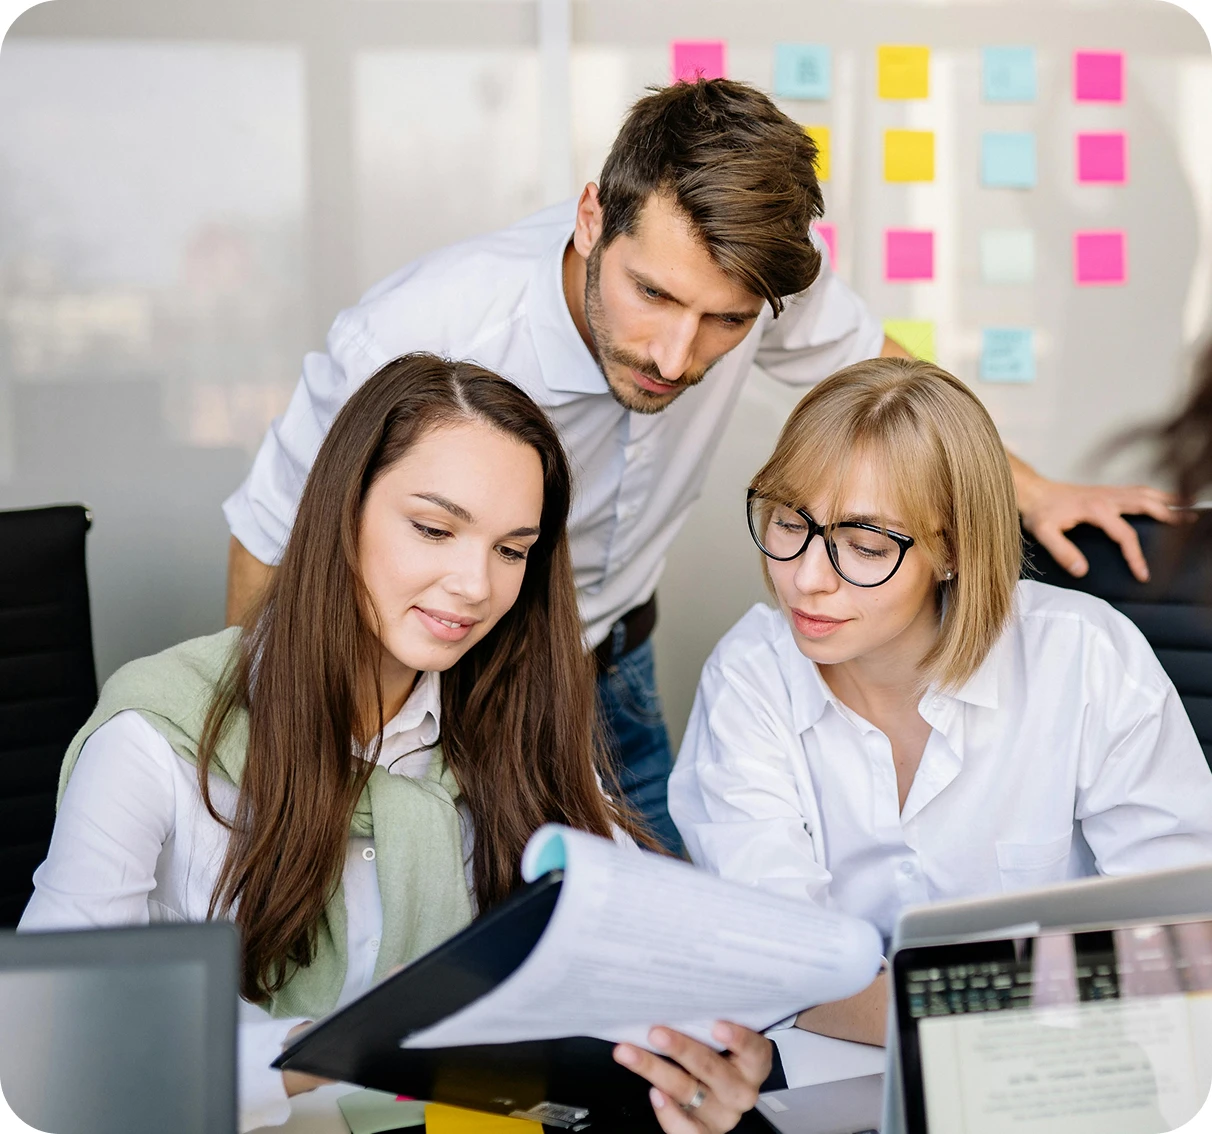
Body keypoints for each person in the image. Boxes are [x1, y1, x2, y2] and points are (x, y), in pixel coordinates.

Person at [221, 79, 1175, 855]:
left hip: (614, 663)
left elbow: (891, 382)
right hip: (447, 676)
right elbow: (271, 539)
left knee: (674, 951)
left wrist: (1033, 489)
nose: (676, 356)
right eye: (653, 296)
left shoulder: (758, 282)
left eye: (723, 321)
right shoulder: (425, 331)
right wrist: (275, 746)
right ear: (595, 217)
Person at [20, 354, 773, 1134]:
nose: (476, 585)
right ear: (343, 513)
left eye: (511, 550)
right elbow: (51, 1057)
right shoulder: (156, 739)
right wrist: (329, 1051)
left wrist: (695, 1069)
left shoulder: (516, 722)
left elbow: (636, 956)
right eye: (435, 529)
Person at [667, 356, 1212, 1047]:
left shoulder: (1083, 656)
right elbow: (777, 961)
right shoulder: (750, 678)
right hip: (840, 1074)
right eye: (786, 523)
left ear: (951, 548)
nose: (805, 579)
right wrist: (996, 1024)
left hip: (1077, 1068)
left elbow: (1183, 931)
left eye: (864, 545)